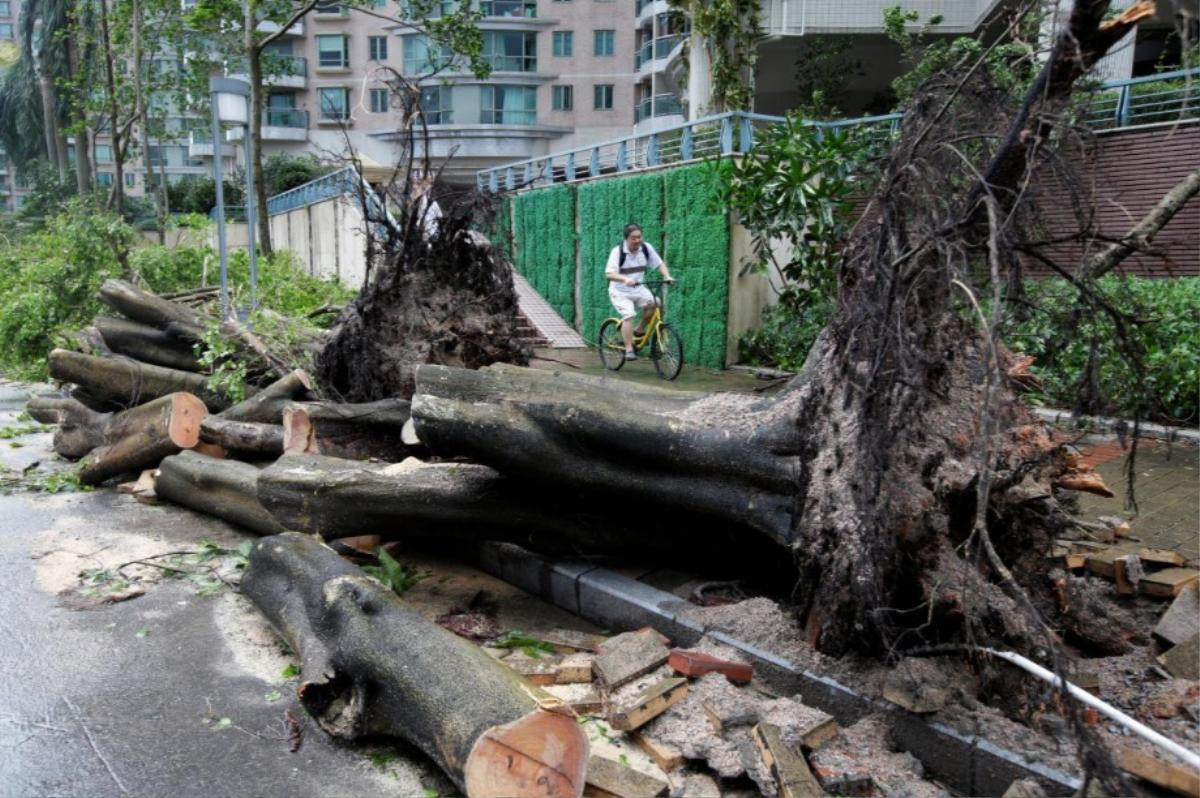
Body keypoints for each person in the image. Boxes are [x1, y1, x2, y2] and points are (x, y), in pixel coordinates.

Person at [605, 223, 675, 361]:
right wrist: (624, 279)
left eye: (639, 237)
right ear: (626, 239)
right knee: (629, 315)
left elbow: (659, 263)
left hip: (638, 288)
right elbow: (609, 274)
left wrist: (667, 276)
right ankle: (629, 349)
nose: (637, 240)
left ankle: (639, 330)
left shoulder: (646, 248)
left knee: (656, 303)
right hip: (620, 292)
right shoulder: (617, 252)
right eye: (633, 238)